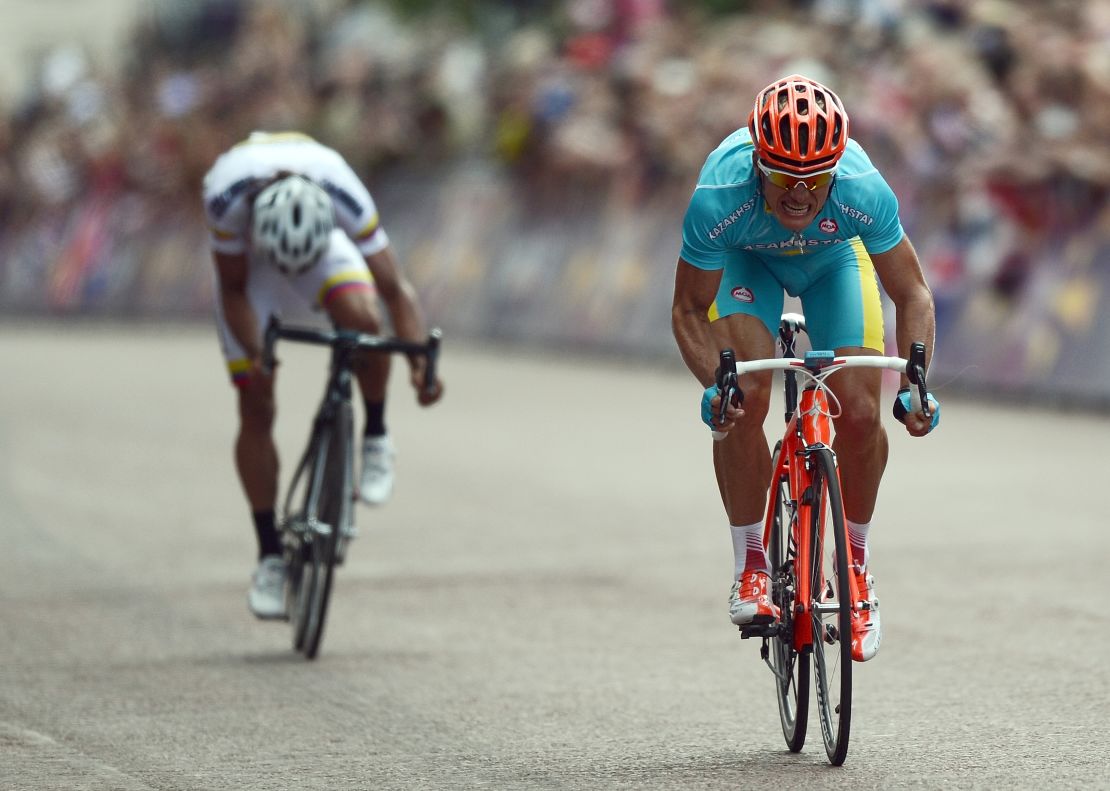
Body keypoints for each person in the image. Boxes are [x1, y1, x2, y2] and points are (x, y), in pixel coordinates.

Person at [671, 75, 939, 662]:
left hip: (834, 262)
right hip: (749, 264)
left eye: (815, 179)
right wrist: (714, 385)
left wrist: (918, 381)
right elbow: (689, 310)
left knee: (865, 414)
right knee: (747, 396)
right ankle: (751, 564)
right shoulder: (720, 193)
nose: (799, 193)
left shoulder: (863, 189)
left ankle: (857, 565)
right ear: (758, 166)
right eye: (784, 178)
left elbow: (914, 294)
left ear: (836, 170)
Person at [203, 130, 444, 619]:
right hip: (255, 267)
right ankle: (270, 555)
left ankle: (375, 434)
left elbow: (396, 290)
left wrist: (419, 363)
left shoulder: (342, 191)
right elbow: (233, 291)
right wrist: (257, 354)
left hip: (322, 247)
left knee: (366, 320)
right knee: (255, 400)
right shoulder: (224, 197)